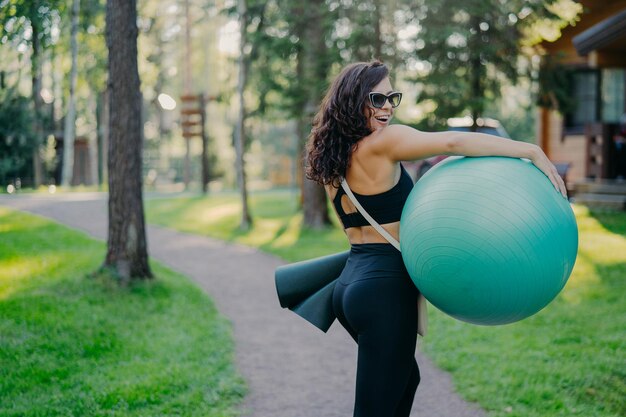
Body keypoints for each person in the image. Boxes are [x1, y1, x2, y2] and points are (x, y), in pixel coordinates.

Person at [304, 60, 566, 417]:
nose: (387, 108)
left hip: (350, 286)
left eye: (391, 98)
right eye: (377, 99)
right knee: (374, 408)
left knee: (405, 380)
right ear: (353, 100)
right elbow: (454, 141)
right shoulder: (385, 143)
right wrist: (530, 150)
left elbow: (359, 227)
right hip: (384, 291)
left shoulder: (333, 158)